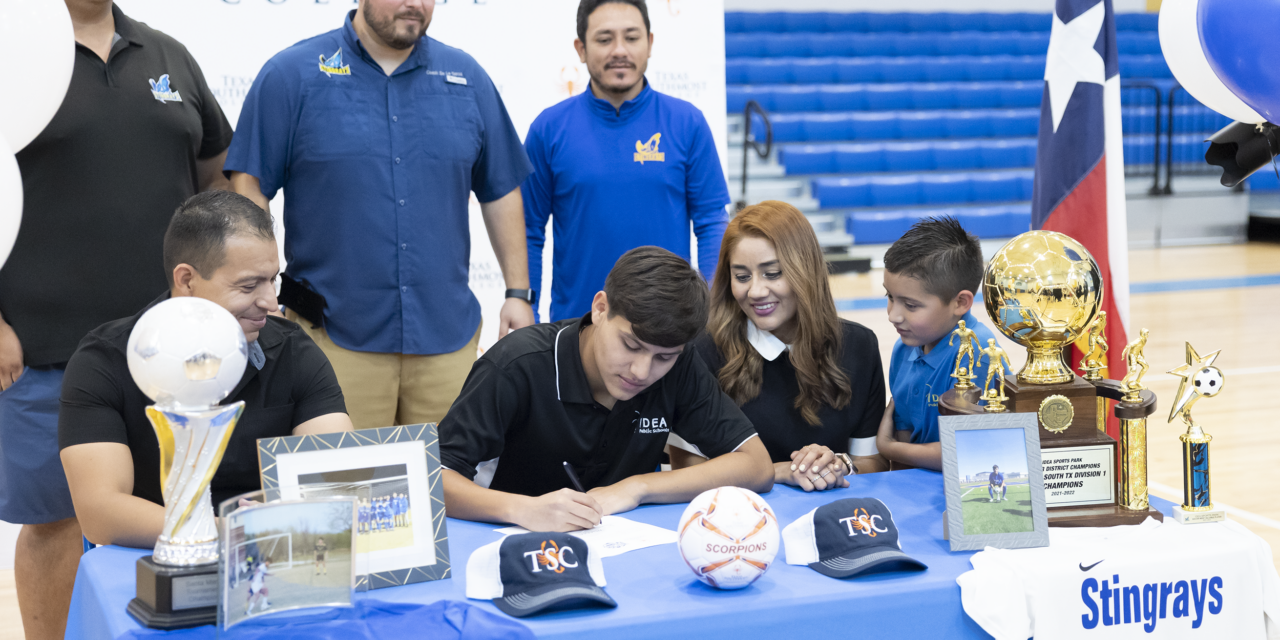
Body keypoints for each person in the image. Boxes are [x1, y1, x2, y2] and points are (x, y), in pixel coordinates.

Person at [0, 1, 235, 635]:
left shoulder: (166, 54)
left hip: (175, 350)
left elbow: (217, 181)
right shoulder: (11, 50)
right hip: (46, 348)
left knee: (166, 512)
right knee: (58, 520)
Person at [226, 0, 536, 432]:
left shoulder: (467, 78)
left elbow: (501, 190)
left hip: (446, 339)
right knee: (346, 488)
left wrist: (517, 293)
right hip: (331, 337)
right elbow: (249, 187)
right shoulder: (292, 74)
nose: (415, 3)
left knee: (450, 486)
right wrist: (261, 290)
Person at [58, 192, 354, 549]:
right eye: (249, 285)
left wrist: (260, 529)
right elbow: (101, 513)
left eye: (272, 280)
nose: (272, 303)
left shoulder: (293, 351)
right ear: (186, 280)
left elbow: (335, 478)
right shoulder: (103, 362)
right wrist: (234, 530)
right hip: (149, 554)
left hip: (275, 553)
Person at [439, 247, 773, 532]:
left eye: (664, 357)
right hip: (510, 546)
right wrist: (522, 509)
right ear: (600, 309)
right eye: (630, 345)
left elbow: (756, 466)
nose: (642, 371)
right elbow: (434, 479)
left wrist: (637, 487)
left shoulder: (681, 365)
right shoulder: (517, 365)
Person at [523, 0, 731, 322]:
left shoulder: (687, 123)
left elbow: (711, 222)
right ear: (580, 48)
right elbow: (527, 229)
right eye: (604, 39)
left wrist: (713, 310)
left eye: (632, 38)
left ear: (650, 44)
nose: (619, 50)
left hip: (670, 329)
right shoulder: (548, 129)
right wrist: (526, 307)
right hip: (577, 329)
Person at [667, 202, 887, 491]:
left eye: (772, 273)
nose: (756, 291)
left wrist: (838, 464)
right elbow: (686, 468)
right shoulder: (700, 351)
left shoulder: (860, 346)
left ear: (805, 271)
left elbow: (873, 463)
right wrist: (778, 471)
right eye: (742, 277)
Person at [875, 217, 997, 471]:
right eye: (890, 297)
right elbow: (905, 435)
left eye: (910, 305)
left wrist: (888, 448)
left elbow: (972, 451)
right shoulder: (904, 348)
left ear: (961, 303)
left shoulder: (979, 352)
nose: (893, 315)